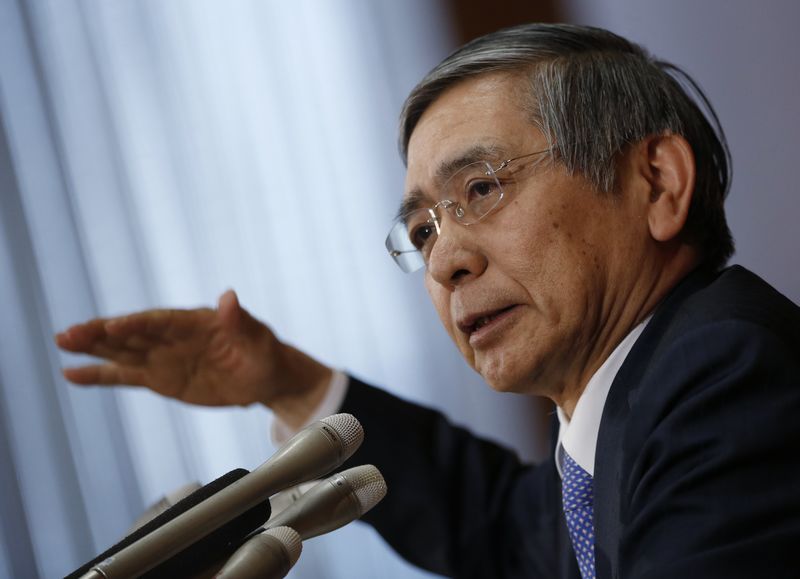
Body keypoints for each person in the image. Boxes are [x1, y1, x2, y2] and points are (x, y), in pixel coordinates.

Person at [55, 23, 800, 579]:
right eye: (421, 228)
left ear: (659, 183)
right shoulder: (626, 407)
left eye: (480, 188)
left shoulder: (726, 373)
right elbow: (500, 527)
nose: (443, 260)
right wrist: (288, 382)